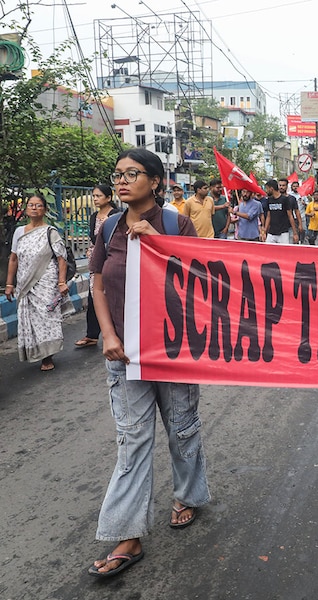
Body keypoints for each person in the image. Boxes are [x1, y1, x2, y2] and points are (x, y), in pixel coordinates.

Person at [87, 148, 210, 578]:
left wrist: (155, 244)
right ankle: (127, 533)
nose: (121, 181)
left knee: (181, 428)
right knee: (132, 441)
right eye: (117, 174)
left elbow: (202, 279)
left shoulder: (176, 224)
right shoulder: (108, 227)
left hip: (172, 353)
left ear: (156, 181)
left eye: (132, 173)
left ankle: (188, 496)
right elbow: (98, 283)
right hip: (125, 355)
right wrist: (109, 335)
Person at [4, 193, 69, 371]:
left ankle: (48, 356)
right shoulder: (19, 232)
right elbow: (13, 259)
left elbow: (61, 258)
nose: (34, 208)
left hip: (46, 282)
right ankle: (36, 352)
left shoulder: (50, 232)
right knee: (31, 319)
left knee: (47, 318)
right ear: (26, 209)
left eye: (38, 205)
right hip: (25, 283)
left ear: (45, 210)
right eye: (31, 205)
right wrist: (9, 284)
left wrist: (61, 282)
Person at [75, 184, 120, 348]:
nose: (95, 199)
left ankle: (117, 332)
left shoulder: (116, 215)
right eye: (94, 196)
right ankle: (92, 334)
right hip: (97, 259)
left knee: (113, 295)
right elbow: (94, 238)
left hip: (113, 258)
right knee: (94, 294)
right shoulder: (94, 216)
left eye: (98, 196)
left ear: (108, 198)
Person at [263, 179, 299, 244]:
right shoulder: (269, 200)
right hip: (271, 232)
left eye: (267, 189)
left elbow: (290, 216)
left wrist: (295, 233)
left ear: (271, 189)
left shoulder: (285, 199)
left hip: (283, 232)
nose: (266, 191)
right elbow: (268, 216)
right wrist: (265, 231)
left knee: (284, 252)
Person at [279, 178, 305, 243]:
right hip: (278, 227)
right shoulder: (274, 198)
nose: (281, 187)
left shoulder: (292, 199)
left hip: (290, 225)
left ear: (287, 186)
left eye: (283, 185)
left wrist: (300, 224)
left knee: (290, 244)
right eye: (280, 185)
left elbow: (297, 211)